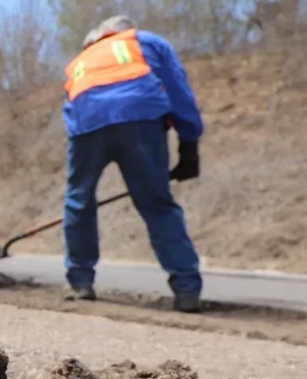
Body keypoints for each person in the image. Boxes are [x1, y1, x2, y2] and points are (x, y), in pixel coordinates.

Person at [61, 15, 204, 313]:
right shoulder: (144, 40)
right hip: (140, 118)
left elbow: (70, 111)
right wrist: (189, 143)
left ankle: (81, 281)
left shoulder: (81, 60)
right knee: (156, 203)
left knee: (78, 201)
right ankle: (187, 288)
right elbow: (177, 89)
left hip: (87, 125)